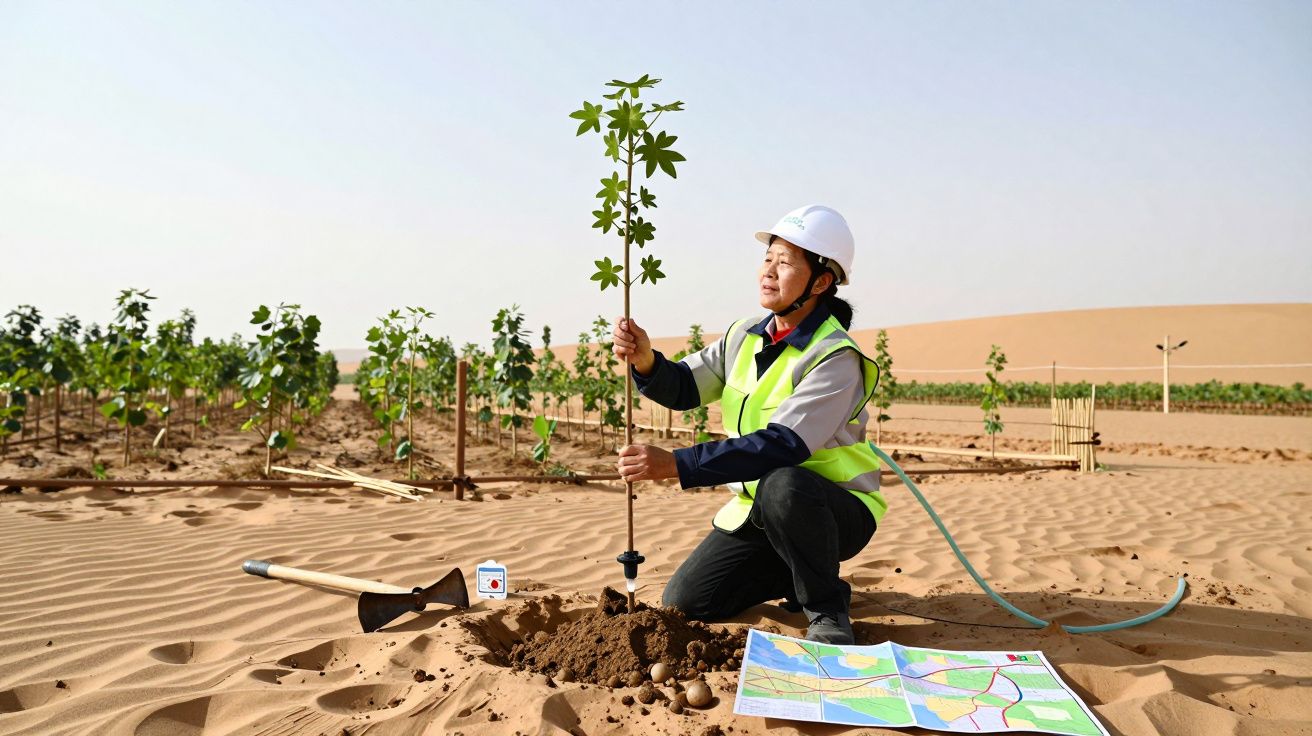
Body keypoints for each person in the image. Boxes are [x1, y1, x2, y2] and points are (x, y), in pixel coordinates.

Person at [611, 204, 886, 645]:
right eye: (768, 258)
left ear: (821, 282)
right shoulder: (744, 335)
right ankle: (801, 575)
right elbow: (685, 388)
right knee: (688, 602)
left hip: (834, 511)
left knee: (784, 483)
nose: (769, 271)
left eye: (785, 262)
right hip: (760, 512)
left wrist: (678, 465)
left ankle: (827, 607)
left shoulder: (836, 357)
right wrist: (645, 359)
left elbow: (783, 446)